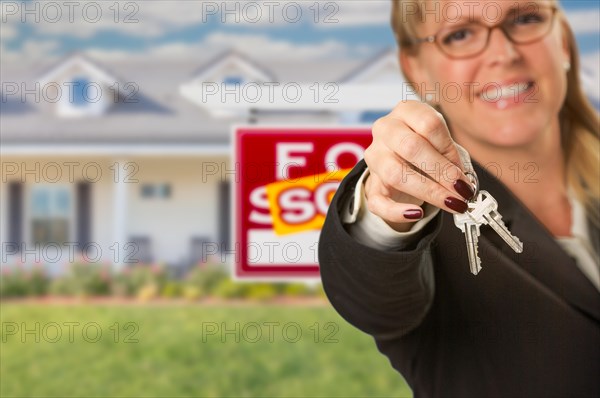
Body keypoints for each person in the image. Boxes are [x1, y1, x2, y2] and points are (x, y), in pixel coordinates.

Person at [318, 1, 600, 397]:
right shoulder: (430, 232)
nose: (504, 54)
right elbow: (371, 297)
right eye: (460, 34)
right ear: (417, 69)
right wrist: (384, 214)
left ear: (564, 43)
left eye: (525, 19)